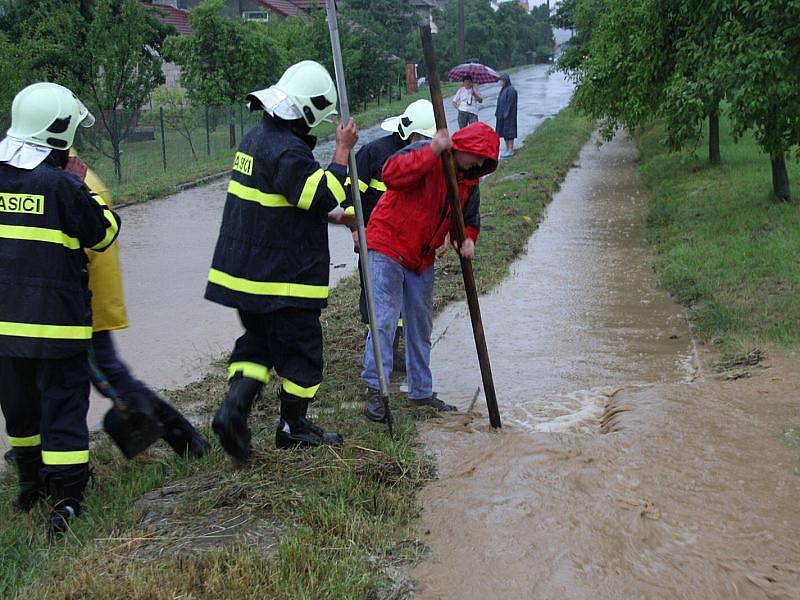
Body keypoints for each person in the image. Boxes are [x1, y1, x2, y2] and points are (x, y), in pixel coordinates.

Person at [206, 60, 358, 462]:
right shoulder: (288, 151)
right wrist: (341, 153)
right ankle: (293, 427)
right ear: (306, 112)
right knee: (303, 353)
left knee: (259, 343)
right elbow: (319, 195)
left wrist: (336, 218)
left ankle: (233, 408)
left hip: (245, 278)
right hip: (284, 281)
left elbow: (282, 205)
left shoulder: (255, 140)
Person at [0, 82, 121, 536]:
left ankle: (29, 485)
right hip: (59, 329)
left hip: (5, 330)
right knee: (63, 411)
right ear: (58, 135)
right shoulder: (63, 186)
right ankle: (66, 502)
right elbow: (105, 233)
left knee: (20, 411)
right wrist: (78, 184)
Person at [63, 152, 210, 460]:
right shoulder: (65, 174)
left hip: (80, 305)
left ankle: (185, 439)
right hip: (78, 302)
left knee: (110, 377)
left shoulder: (70, 180)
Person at [361, 122, 500, 422]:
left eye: (484, 162)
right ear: (464, 147)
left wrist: (467, 240)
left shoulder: (470, 183)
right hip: (387, 242)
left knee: (420, 325)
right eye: (478, 157)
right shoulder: (427, 152)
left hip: (421, 257)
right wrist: (433, 150)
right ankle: (376, 391)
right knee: (383, 319)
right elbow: (391, 173)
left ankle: (421, 392)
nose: (479, 164)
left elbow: (469, 220)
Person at [346, 99, 437, 378]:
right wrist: (355, 229)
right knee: (377, 301)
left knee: (404, 303)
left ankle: (395, 353)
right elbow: (351, 194)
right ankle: (378, 358)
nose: (424, 143)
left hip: (408, 243)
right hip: (375, 239)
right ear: (409, 134)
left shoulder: (427, 157)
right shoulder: (374, 153)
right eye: (422, 138)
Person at [495, 73, 518, 158]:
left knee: (510, 133)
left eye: (501, 81)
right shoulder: (503, 89)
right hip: (502, 116)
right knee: (504, 133)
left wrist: (506, 114)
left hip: (509, 116)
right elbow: (499, 102)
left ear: (505, 81)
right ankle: (507, 149)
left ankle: (511, 150)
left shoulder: (511, 90)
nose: (500, 82)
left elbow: (510, 103)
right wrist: (497, 113)